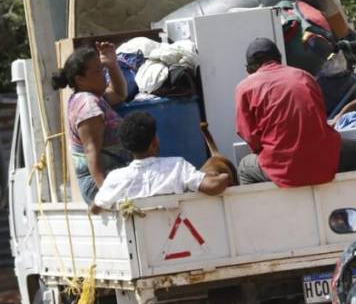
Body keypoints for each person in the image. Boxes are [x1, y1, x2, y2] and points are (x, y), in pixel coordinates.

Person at [235, 38, 356, 187]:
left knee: (244, 168)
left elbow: (249, 135)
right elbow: (319, 117)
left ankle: (262, 209)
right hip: (323, 161)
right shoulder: (304, 76)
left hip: (282, 169)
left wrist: (266, 150)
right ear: (279, 59)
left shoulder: (245, 87)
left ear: (250, 69)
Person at [91, 112, 229, 213]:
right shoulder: (176, 166)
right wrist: (225, 176)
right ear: (154, 143)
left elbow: (96, 208)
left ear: (127, 148)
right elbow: (213, 186)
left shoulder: (115, 178)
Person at [52, 43, 131, 204]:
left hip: (112, 176)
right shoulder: (88, 105)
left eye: (101, 70)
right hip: (98, 184)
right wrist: (106, 194)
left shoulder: (92, 97)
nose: (102, 75)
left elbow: (119, 94)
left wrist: (111, 65)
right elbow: (91, 151)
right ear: (80, 80)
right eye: (97, 72)